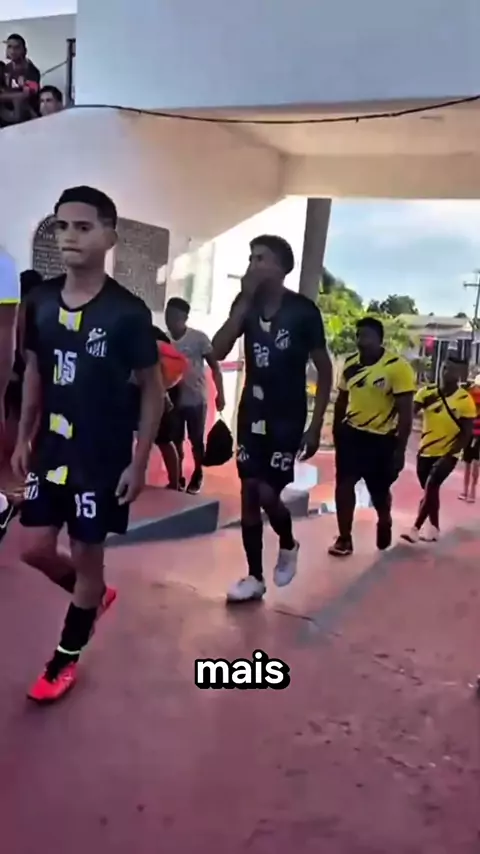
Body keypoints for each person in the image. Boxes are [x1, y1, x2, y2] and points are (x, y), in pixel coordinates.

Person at [11, 185, 164, 704]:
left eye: (83, 227)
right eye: (62, 226)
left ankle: (63, 661)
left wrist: (139, 462)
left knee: (86, 555)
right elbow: (35, 372)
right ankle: (92, 595)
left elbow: (153, 391)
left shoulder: (128, 313)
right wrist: (23, 437)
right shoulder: (39, 302)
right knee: (34, 548)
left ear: (109, 237)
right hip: (51, 451)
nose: (70, 237)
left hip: (101, 458)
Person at [212, 234, 332, 603]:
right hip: (252, 412)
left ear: (280, 268)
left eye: (260, 258)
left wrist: (315, 426)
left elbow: (325, 369)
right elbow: (217, 349)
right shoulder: (246, 306)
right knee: (249, 491)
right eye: (251, 257)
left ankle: (288, 542)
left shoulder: (303, 311)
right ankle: (254, 577)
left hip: (287, 416)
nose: (252, 264)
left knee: (266, 492)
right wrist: (242, 305)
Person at [330, 317, 415, 557]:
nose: (361, 341)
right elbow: (341, 400)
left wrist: (400, 450)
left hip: (382, 440)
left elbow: (406, 413)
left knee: (378, 491)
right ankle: (344, 538)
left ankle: (384, 518)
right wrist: (337, 431)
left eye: (366, 336)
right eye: (358, 336)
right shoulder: (350, 365)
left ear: (379, 340)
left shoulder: (397, 367)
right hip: (352, 436)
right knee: (344, 486)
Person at [401, 356, 475, 543]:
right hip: (425, 451)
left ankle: (415, 528)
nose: (445, 372)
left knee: (432, 484)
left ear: (459, 374)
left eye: (451, 369)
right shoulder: (426, 393)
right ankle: (434, 528)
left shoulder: (465, 400)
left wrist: (451, 455)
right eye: (444, 367)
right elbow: (409, 414)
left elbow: (466, 433)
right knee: (430, 491)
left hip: (449, 453)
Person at [165, 297, 225, 494]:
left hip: (196, 399)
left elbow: (215, 367)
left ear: (184, 317)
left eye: (173, 315)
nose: (168, 319)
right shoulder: (164, 340)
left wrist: (220, 394)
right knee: (175, 440)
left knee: (196, 440)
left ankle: (198, 474)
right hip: (173, 401)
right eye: (167, 314)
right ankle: (178, 477)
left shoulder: (198, 339)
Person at [2, 34, 40, 123]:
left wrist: (3, 96)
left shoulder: (31, 71)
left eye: (16, 47)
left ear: (24, 50)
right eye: (9, 47)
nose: (12, 51)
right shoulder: (6, 68)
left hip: (24, 116)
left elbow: (26, 95)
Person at [459, 374, 480, 503]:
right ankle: (466, 490)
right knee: (468, 463)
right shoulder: (470, 396)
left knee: (475, 463)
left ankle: (472, 490)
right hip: (469, 433)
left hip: (478, 435)